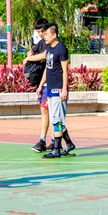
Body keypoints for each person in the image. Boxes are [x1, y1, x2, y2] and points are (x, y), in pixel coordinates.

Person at [35, 24, 76, 158]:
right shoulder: (50, 50)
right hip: (50, 88)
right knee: (54, 119)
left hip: (59, 89)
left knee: (57, 120)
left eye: (46, 35)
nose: (44, 37)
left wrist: (64, 88)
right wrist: (41, 85)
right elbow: (48, 68)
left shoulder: (61, 49)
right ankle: (68, 143)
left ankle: (57, 149)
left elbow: (65, 70)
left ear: (54, 35)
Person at [23, 18, 51, 152]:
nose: (41, 34)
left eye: (42, 31)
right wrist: (30, 53)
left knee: (49, 112)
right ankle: (61, 141)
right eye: (38, 31)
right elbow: (32, 51)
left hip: (50, 82)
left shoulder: (51, 43)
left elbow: (44, 56)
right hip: (43, 82)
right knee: (48, 112)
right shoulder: (41, 42)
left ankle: (43, 140)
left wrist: (29, 58)